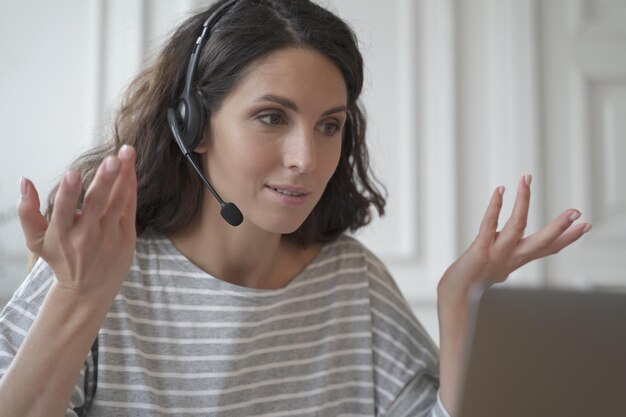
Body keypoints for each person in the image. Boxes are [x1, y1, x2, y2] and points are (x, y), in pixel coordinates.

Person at [0, 1, 591, 416]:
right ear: (193, 126)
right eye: (271, 117)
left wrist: (461, 308)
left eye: (329, 125)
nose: (307, 158)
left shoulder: (350, 283)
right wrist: (79, 299)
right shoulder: (96, 267)